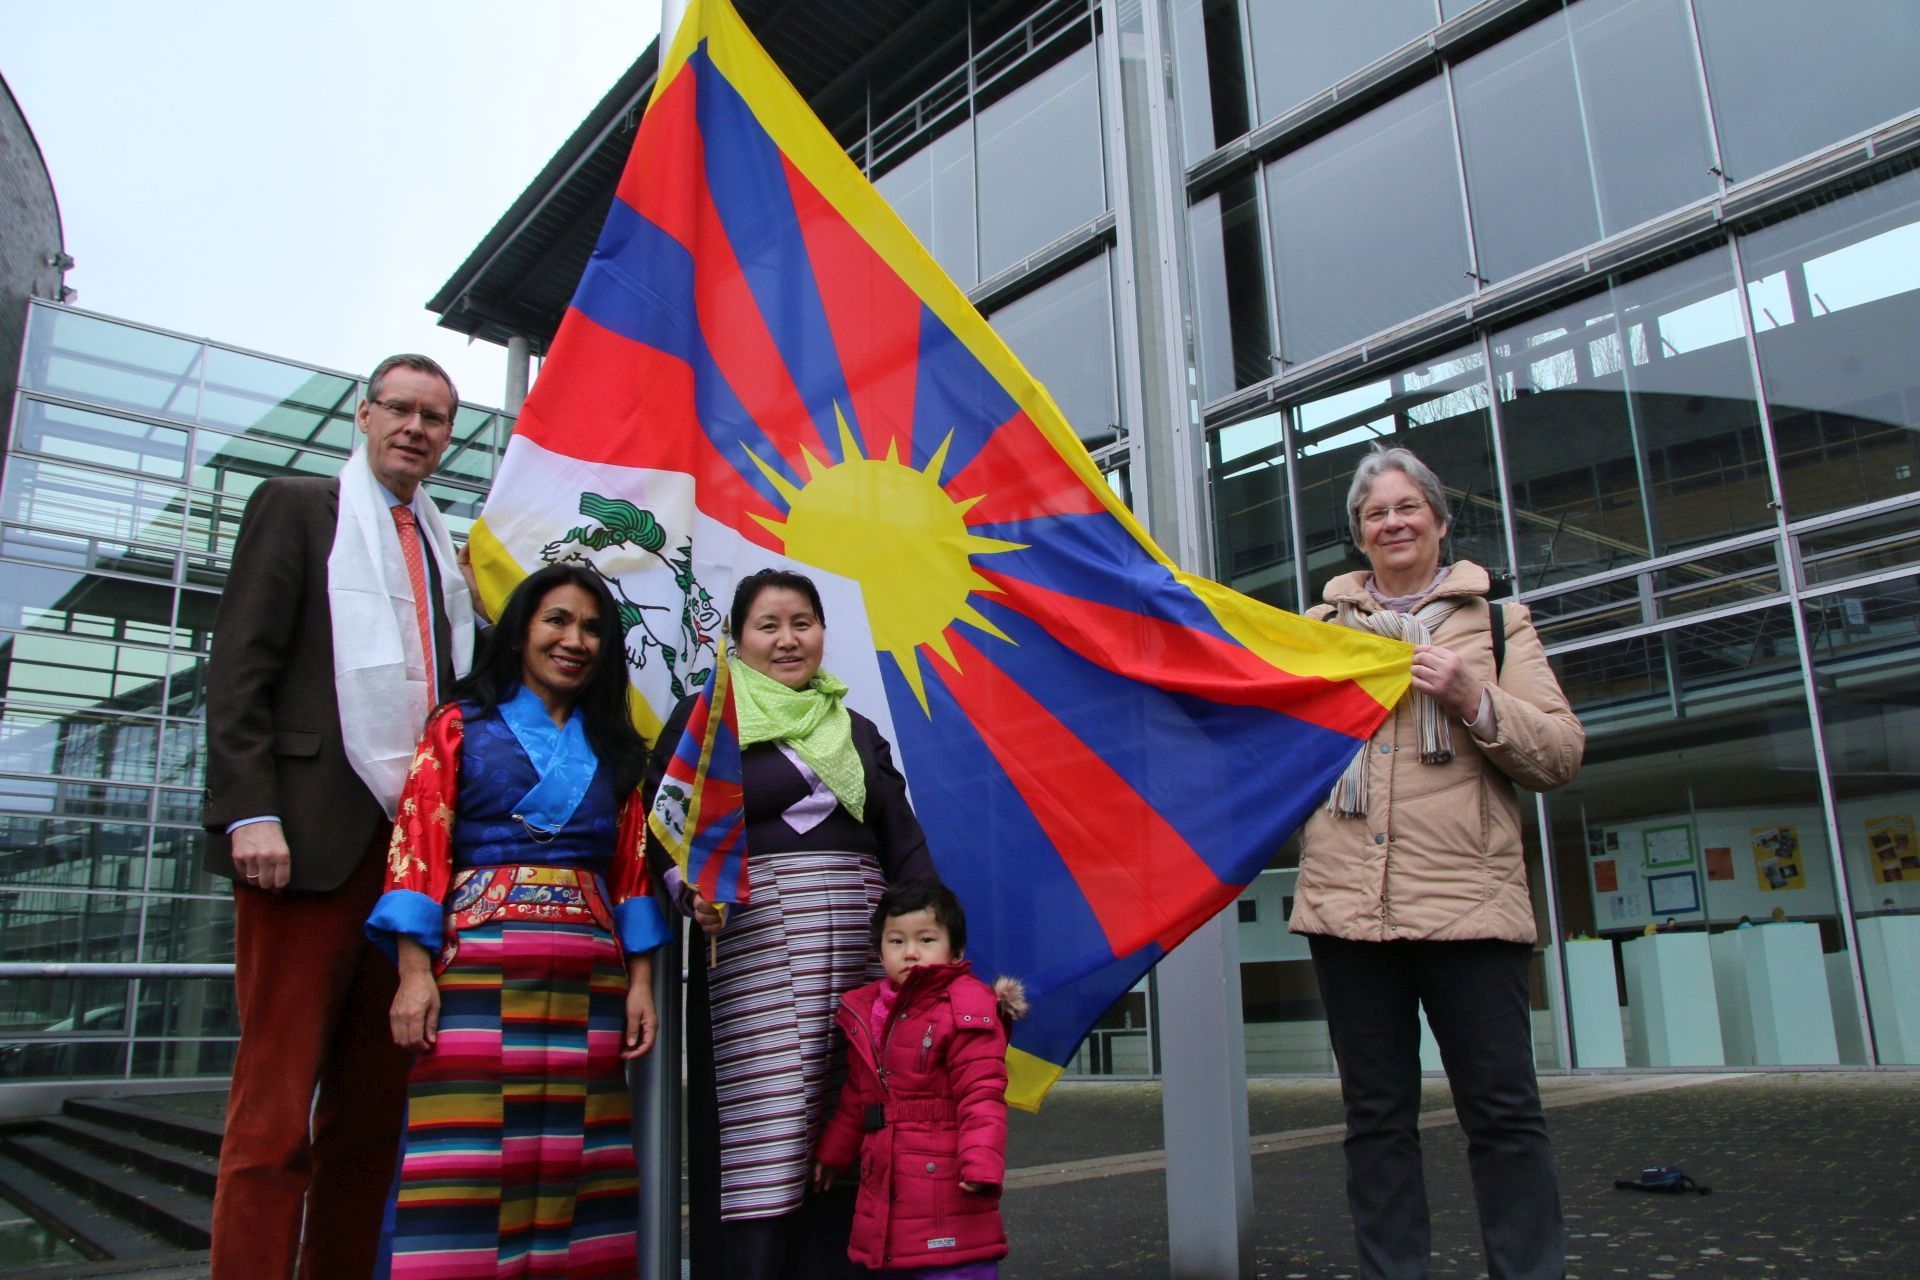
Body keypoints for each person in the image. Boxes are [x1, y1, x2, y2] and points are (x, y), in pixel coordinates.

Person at [201, 353, 477, 1278]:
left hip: (405, 865)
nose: (416, 428)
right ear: (363, 417)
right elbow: (240, 666)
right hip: (303, 847)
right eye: (399, 409)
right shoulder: (298, 508)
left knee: (368, 1122)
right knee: (273, 1117)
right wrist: (249, 811)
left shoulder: (446, 551)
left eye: (435, 418)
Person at [1290, 445, 1584, 1280]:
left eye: (1405, 507)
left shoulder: (1499, 623)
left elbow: (1559, 754)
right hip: (1349, 910)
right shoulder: (1319, 634)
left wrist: (1472, 696)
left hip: (1470, 907)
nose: (1392, 522)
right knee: (1375, 1118)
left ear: (1440, 522)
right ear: (1358, 535)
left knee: (1502, 1115)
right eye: (1374, 513)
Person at [367, 563, 669, 1275]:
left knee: (580, 1154)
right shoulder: (456, 725)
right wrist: (414, 974)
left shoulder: (617, 748)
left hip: (591, 983)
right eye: (557, 620)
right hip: (474, 970)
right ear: (520, 630)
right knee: (463, 1156)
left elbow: (631, 871)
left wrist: (642, 984)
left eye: (593, 628)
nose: (575, 640)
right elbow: (419, 849)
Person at [646, 567, 940, 1279]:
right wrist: (694, 895)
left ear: (822, 634)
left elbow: (902, 838)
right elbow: (663, 831)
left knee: (854, 1122)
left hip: (862, 959)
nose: (787, 640)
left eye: (801, 623)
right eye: (768, 625)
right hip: (755, 952)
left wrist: (930, 939)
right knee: (768, 1137)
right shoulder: (707, 717)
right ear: (737, 640)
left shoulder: (856, 727)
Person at [813, 880, 1026, 1279]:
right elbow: (858, 1097)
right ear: (879, 949)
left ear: (955, 950)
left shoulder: (967, 1009)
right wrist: (833, 1154)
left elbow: (982, 1097)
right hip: (887, 1187)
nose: (910, 952)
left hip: (948, 1185)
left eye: (926, 939)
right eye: (896, 941)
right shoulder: (868, 1010)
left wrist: (981, 1165)